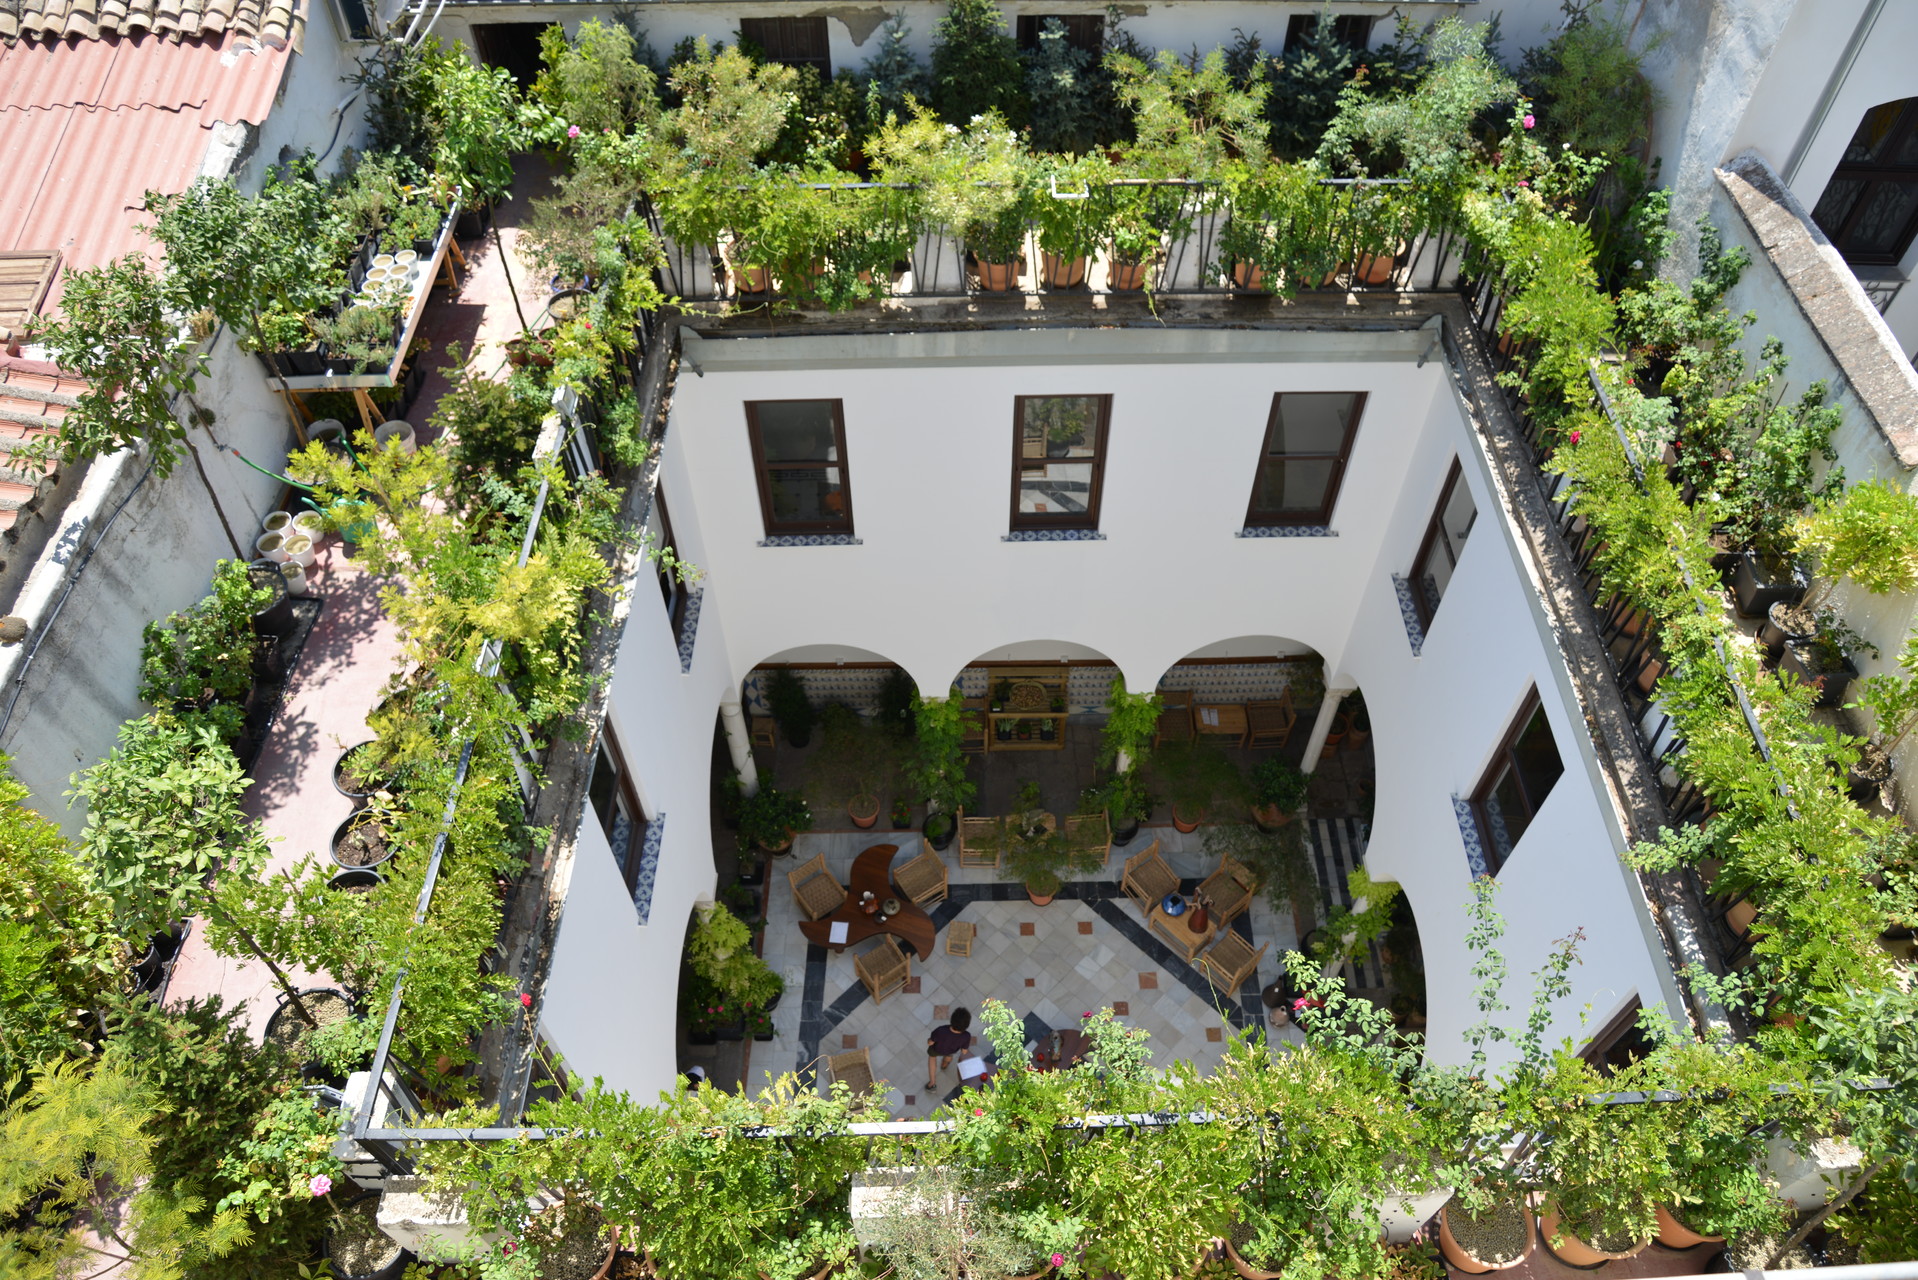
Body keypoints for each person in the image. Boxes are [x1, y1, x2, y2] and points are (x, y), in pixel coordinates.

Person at [926, 1007, 974, 1090]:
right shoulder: (966, 1036)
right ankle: (944, 1064)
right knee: (949, 1055)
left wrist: (928, 1040)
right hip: (951, 1050)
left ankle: (932, 1083)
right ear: (966, 1025)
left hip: (936, 1049)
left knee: (932, 1059)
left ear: (952, 1019)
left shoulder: (940, 1030)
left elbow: (930, 1042)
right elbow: (964, 1051)